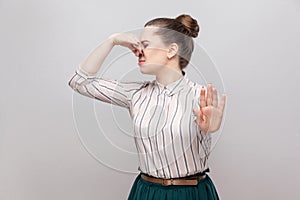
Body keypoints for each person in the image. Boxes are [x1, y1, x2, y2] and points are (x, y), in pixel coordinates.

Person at [68, 13, 226, 200]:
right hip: (147, 192)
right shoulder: (135, 94)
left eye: (146, 45)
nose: (138, 51)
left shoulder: (202, 96)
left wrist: (209, 130)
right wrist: (113, 40)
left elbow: (201, 141)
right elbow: (80, 81)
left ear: (171, 50)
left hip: (192, 193)